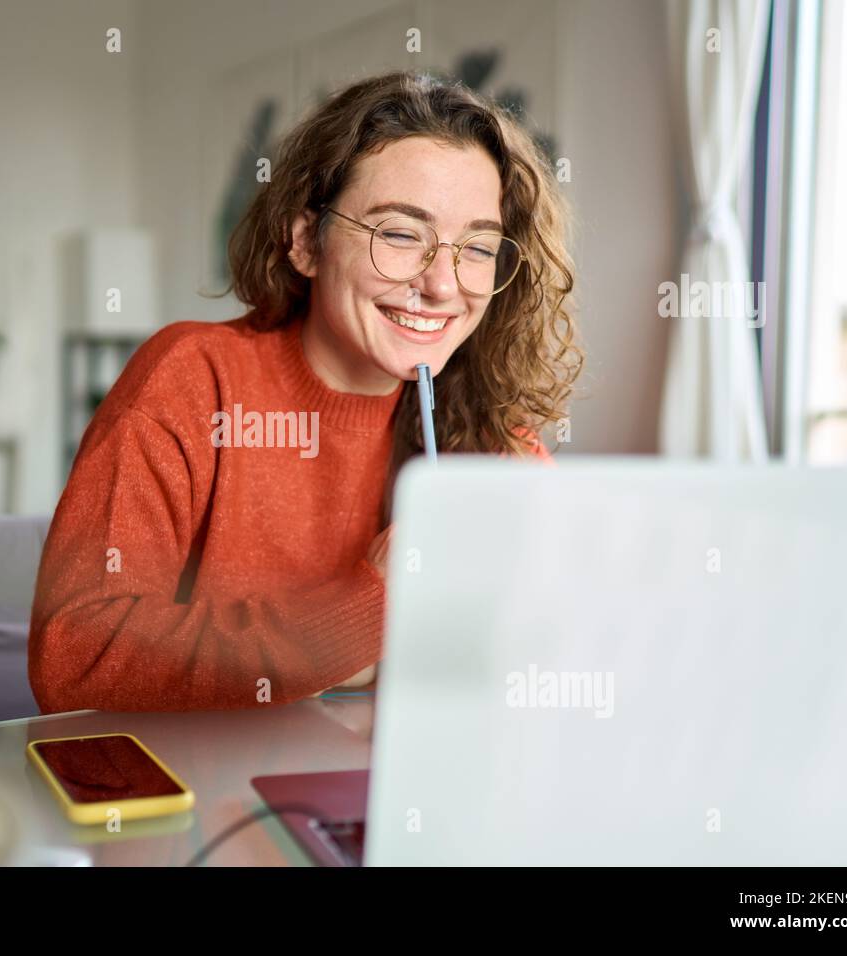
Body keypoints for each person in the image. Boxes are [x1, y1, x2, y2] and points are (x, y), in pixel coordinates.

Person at [28, 70, 581, 713]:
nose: (442, 284)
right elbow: (76, 657)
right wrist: (370, 605)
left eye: (477, 248)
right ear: (304, 242)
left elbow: (552, 649)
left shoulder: (488, 425)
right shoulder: (192, 380)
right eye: (400, 234)